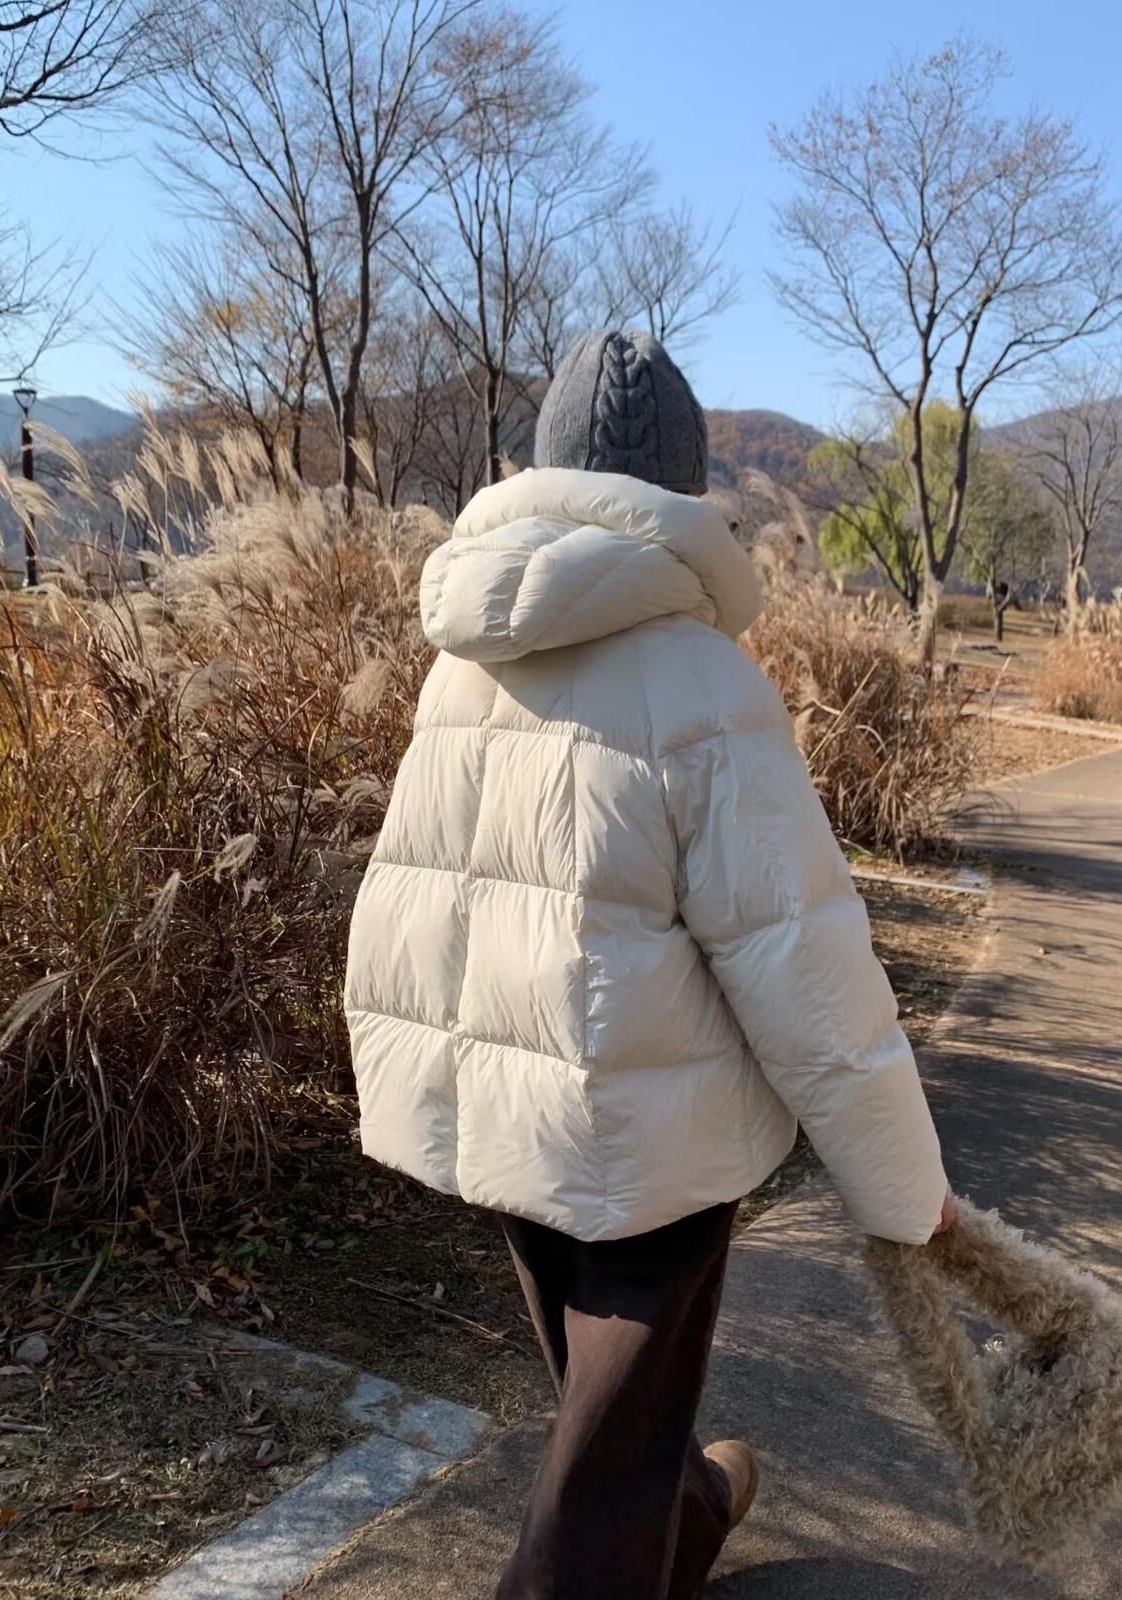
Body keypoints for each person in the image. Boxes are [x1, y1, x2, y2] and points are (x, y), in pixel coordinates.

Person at [345, 330, 954, 1600]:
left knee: (609, 1403)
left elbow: (410, 889)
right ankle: (641, 1534)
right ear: (685, 492)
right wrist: (910, 1191)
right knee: (603, 1446)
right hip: (650, 1134)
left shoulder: (465, 656)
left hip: (504, 1107)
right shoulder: (700, 680)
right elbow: (805, 965)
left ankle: (685, 1515)